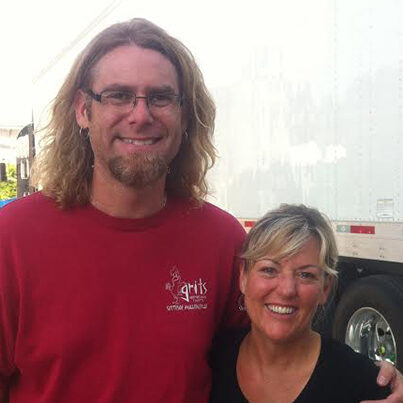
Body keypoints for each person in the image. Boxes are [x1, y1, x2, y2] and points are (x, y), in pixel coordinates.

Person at [0, 18, 401, 403]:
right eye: (118, 95)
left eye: (160, 97)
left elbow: (271, 356)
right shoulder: (13, 239)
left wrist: (370, 378)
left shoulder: (222, 241)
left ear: (184, 115)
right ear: (83, 110)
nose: (140, 115)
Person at [210, 204, 396, 403]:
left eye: (305, 275)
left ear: (325, 288)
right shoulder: (212, 360)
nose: (287, 289)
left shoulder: (362, 382)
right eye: (269, 270)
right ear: (243, 278)